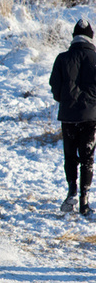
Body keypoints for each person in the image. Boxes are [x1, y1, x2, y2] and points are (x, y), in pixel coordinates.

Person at [49, 18, 96, 215]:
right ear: (91, 38)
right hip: (91, 117)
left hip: (68, 116)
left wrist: (66, 100)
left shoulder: (62, 58)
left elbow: (55, 88)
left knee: (70, 156)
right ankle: (85, 200)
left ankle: (72, 192)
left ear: (73, 37)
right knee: (87, 157)